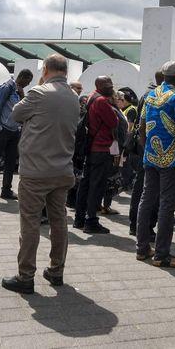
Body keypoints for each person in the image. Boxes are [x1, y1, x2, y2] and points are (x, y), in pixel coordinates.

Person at [0, 55, 80, 294]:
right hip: (63, 169)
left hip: (36, 171)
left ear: (45, 70)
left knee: (30, 223)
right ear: (65, 72)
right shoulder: (74, 98)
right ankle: (56, 270)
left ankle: (26, 276)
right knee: (59, 221)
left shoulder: (38, 93)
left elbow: (15, 114)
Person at [136, 62, 175, 267]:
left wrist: (148, 147)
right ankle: (162, 255)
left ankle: (142, 249)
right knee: (167, 206)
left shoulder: (150, 96)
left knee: (146, 200)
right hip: (171, 158)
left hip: (150, 156)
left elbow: (141, 129)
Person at [74, 76, 121, 233]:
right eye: (108, 84)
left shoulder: (91, 97)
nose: (111, 87)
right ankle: (91, 221)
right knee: (96, 186)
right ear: (100, 85)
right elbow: (114, 122)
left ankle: (79, 219)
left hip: (91, 147)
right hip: (101, 148)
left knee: (86, 184)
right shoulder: (101, 101)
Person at [0, 69, 33, 203]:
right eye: (27, 81)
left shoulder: (18, 91)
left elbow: (22, 110)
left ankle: (6, 190)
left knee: (10, 162)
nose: (27, 84)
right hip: (2, 130)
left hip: (14, 131)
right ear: (22, 77)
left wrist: (22, 96)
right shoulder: (7, 87)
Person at [127, 71, 164, 236]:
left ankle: (137, 224)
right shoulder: (153, 96)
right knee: (146, 189)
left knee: (141, 187)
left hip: (143, 147)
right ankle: (142, 226)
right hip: (148, 148)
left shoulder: (145, 95)